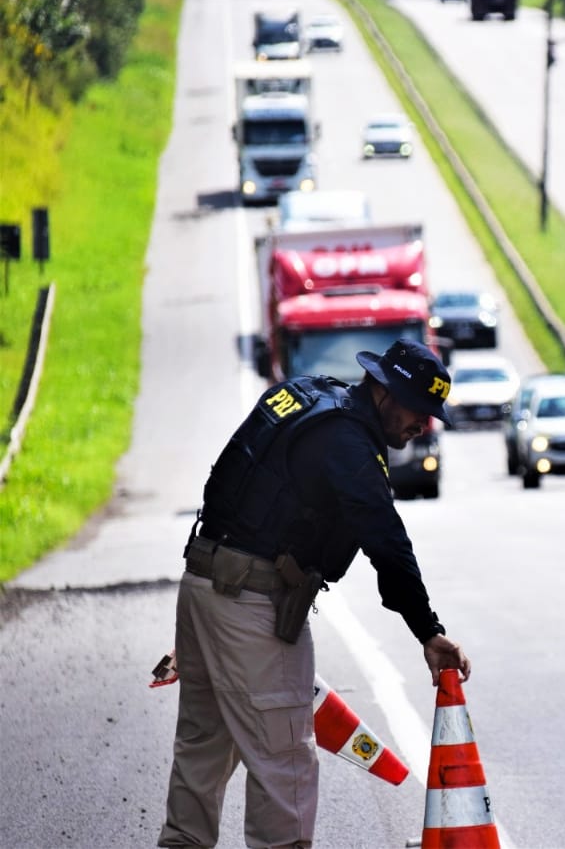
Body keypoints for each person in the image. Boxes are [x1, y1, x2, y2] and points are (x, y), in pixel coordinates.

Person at [158, 338, 471, 849]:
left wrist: (214, 631)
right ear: (386, 394)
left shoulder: (306, 397)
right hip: (251, 602)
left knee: (202, 751)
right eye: (418, 411)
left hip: (206, 586)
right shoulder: (346, 442)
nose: (424, 426)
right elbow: (386, 542)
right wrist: (428, 632)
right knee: (284, 759)